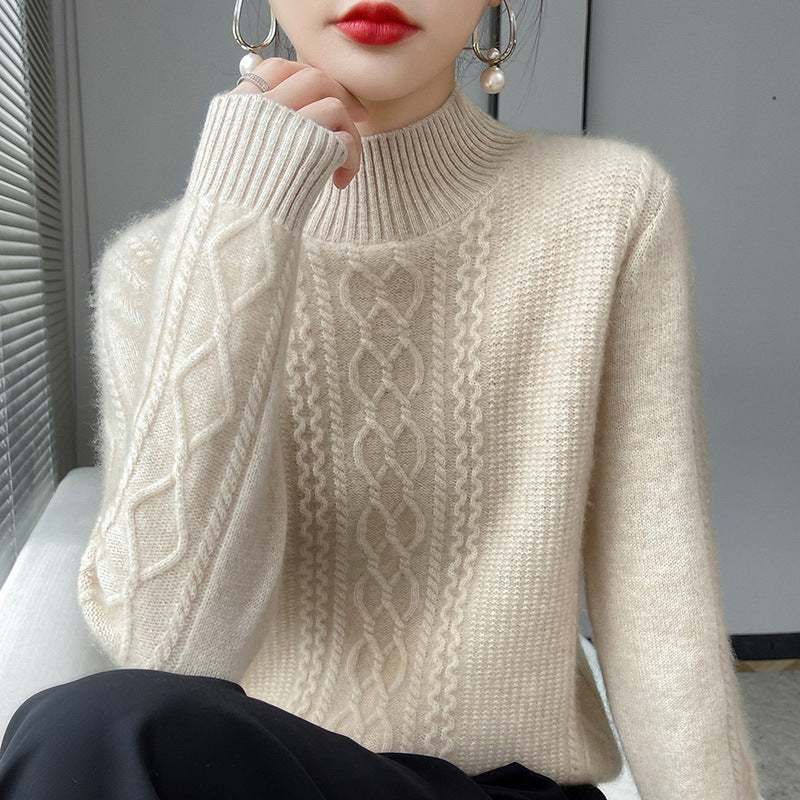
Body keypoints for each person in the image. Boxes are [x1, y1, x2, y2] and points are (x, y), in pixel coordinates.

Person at [0, 1, 763, 798]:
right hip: (263, 779)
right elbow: (168, 652)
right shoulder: (153, 267)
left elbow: (659, 599)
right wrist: (240, 220)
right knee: (87, 730)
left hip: (498, 790)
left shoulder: (608, 208)